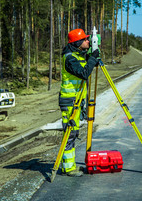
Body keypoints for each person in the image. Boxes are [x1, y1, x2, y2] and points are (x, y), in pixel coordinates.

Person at [59, 28, 100, 177]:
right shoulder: (70, 58)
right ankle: (68, 168)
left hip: (76, 101)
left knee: (73, 133)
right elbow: (84, 73)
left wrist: (92, 58)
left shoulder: (78, 55)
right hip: (70, 101)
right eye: (85, 39)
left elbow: (86, 67)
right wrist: (92, 59)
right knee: (70, 133)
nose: (88, 41)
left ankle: (70, 166)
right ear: (78, 42)